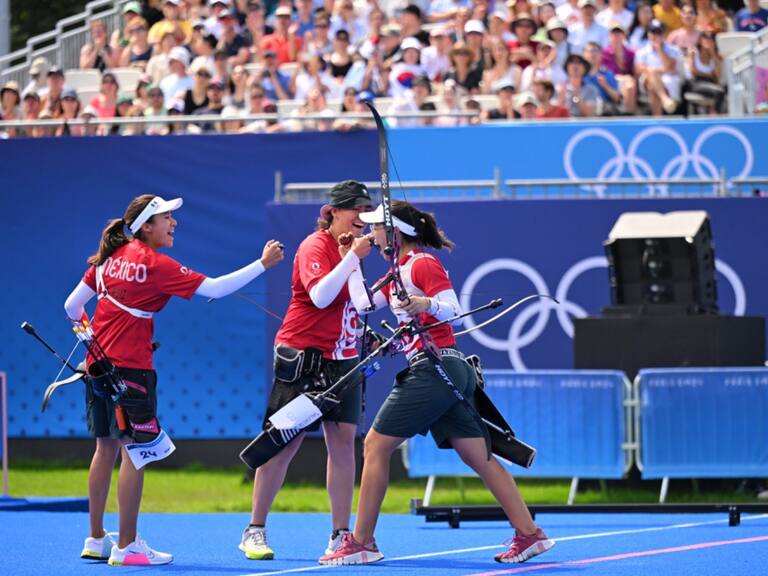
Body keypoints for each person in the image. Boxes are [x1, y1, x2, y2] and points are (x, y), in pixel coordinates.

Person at [319, 200, 555, 565]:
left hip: (436, 367)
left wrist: (422, 302)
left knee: (376, 445)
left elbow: (455, 311)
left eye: (376, 228)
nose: (370, 233)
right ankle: (530, 534)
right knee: (477, 455)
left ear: (394, 233)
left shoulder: (422, 263)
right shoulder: (397, 270)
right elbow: (364, 305)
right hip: (444, 370)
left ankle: (363, 542)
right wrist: (351, 258)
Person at [63, 195, 284, 565]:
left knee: (105, 449)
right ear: (146, 226)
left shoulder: (107, 261)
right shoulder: (152, 263)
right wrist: (263, 264)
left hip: (97, 368)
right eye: (166, 217)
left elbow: (71, 307)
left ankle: (97, 538)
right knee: (137, 452)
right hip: (132, 370)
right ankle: (128, 546)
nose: (173, 223)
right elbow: (213, 288)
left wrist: (90, 340)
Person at [240, 181, 373, 562]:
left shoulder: (351, 249)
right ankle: (255, 529)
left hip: (343, 358)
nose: (362, 219)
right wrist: (351, 258)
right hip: (304, 358)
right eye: (356, 211)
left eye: (366, 212)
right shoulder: (315, 245)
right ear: (332, 213)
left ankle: (340, 535)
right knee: (283, 442)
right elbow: (319, 296)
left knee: (344, 444)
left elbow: (359, 302)